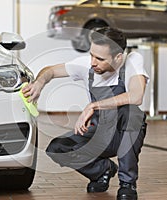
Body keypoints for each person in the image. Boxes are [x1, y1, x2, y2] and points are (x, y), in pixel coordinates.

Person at [22, 27, 149, 200]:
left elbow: (136, 96)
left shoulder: (132, 61)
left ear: (118, 57)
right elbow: (50, 70)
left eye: (100, 58)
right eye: (91, 55)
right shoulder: (87, 65)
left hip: (123, 131)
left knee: (132, 113)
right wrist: (39, 83)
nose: (93, 62)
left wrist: (93, 106)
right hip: (101, 131)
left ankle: (127, 184)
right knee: (58, 149)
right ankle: (102, 170)